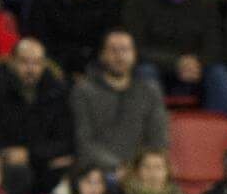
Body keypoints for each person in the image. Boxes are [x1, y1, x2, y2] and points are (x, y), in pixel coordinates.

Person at [121, 0, 227, 111]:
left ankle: (217, 131)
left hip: (195, 66)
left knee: (219, 74)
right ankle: (152, 131)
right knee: (145, 73)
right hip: (158, 65)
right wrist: (175, 63)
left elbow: (214, 43)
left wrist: (197, 62)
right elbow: (135, 46)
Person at [0, 36, 74, 194]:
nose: (31, 69)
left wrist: (29, 155)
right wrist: (8, 155)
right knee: (16, 172)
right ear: (12, 62)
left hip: (43, 163)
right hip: (4, 163)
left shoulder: (56, 93)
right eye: (24, 62)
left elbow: (64, 141)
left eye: (37, 63)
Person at [71, 30, 169, 171]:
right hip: (98, 171)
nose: (120, 56)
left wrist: (140, 169)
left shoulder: (150, 91)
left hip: (140, 172)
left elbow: (158, 140)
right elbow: (84, 142)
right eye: (113, 50)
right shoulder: (83, 91)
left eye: (125, 50)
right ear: (102, 55)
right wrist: (117, 167)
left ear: (134, 54)